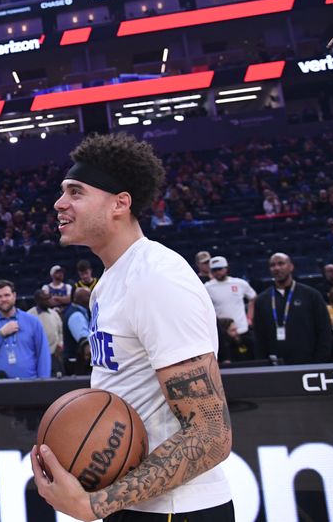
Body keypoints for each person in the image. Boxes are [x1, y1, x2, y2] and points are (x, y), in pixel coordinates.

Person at [34, 133, 233, 520]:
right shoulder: (107, 284)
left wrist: (96, 504)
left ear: (119, 204)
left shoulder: (157, 277)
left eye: (75, 192)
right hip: (135, 502)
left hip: (177, 508)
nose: (59, 203)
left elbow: (211, 435)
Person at [252, 253, 333, 365]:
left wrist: (319, 361)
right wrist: (263, 363)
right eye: (272, 265)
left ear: (291, 267)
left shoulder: (311, 295)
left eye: (281, 264)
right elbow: (259, 337)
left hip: (309, 364)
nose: (276, 268)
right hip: (275, 366)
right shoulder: (262, 300)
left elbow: (324, 330)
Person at [0, 280, 50, 380]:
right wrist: (0, 334)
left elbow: (43, 355)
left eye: (7, 295)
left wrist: (44, 382)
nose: (3, 299)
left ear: (14, 296)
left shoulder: (32, 321)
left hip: (29, 384)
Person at [204, 256, 256, 356]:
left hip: (242, 330)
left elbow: (253, 298)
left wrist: (250, 317)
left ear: (226, 268)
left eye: (220, 269)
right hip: (223, 335)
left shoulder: (240, 283)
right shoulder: (207, 287)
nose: (217, 272)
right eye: (214, 270)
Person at [26, 290, 64, 377]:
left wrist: (60, 344)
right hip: (36, 357)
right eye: (45, 299)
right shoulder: (29, 316)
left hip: (54, 355)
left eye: (49, 298)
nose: (49, 301)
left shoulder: (54, 314)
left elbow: (60, 332)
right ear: (38, 301)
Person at [63, 287, 91, 375]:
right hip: (76, 363)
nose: (91, 298)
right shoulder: (76, 315)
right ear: (79, 299)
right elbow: (84, 340)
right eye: (88, 296)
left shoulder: (82, 311)